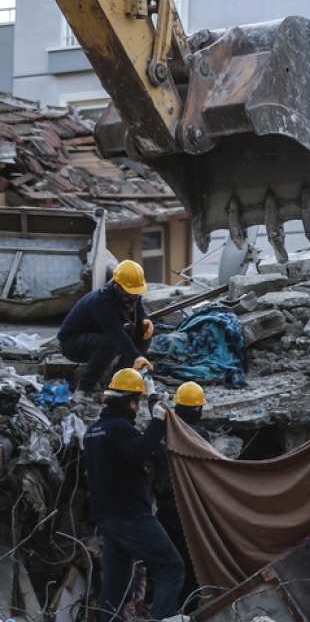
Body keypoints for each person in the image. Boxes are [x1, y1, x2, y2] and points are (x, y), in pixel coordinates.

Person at [84, 368, 183, 622]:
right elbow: (138, 450)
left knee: (115, 582)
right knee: (171, 565)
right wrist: (158, 422)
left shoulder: (93, 431)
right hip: (131, 514)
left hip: (106, 517)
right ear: (131, 403)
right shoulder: (120, 428)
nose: (138, 407)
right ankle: (164, 618)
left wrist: (152, 396)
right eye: (138, 402)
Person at [152, 381, 211, 613]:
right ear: (198, 410)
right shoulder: (199, 436)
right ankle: (185, 612)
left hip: (163, 508)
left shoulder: (160, 433)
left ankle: (165, 608)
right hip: (187, 509)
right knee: (192, 564)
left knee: (169, 563)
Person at [59, 260, 154, 402]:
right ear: (118, 286)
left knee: (143, 334)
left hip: (98, 335)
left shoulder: (131, 296)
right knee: (110, 343)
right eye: (130, 292)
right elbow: (116, 333)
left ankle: (117, 383)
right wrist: (137, 357)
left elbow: (139, 312)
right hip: (73, 343)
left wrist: (145, 321)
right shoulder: (102, 302)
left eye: (136, 293)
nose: (134, 296)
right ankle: (84, 388)